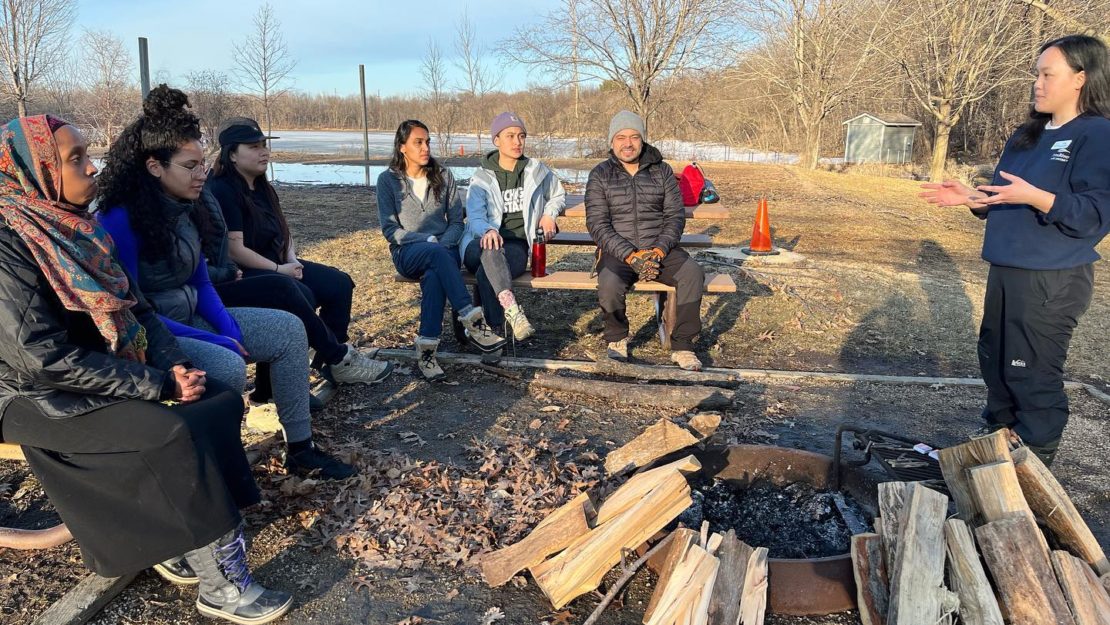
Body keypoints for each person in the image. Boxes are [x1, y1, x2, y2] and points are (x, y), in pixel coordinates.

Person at [0, 115, 293, 624]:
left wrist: (175, 366)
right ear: (37, 169)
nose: (91, 167)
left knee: (218, 399)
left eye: (88, 154)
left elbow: (136, 310)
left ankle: (182, 538)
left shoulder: (77, 229)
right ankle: (220, 585)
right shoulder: (10, 246)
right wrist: (156, 384)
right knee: (170, 430)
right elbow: (42, 358)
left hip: (97, 374)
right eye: (74, 159)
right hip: (31, 396)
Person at [96, 86, 357, 480]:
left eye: (203, 163)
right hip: (154, 332)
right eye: (191, 165)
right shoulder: (118, 219)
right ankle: (222, 467)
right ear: (154, 167)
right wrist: (221, 341)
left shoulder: (185, 207)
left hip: (195, 317)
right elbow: (135, 311)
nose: (203, 173)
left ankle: (301, 450)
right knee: (227, 365)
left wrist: (229, 328)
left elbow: (201, 283)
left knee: (289, 329)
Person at [920, 35, 1110, 466]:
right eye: (1036, 74)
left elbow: (1097, 213)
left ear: (1081, 78)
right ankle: (997, 447)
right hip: (1006, 267)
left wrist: (1037, 197)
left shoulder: (1097, 134)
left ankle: (1032, 473)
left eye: (1048, 74)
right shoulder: (1029, 134)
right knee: (997, 364)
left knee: (1032, 374)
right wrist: (973, 196)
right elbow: (1008, 195)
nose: (1038, 84)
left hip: (1053, 277)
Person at [207, 116, 391, 388]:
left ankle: (328, 361)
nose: (264, 152)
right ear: (232, 154)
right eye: (254, 147)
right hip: (245, 271)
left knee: (338, 283)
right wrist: (281, 270)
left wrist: (291, 259)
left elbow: (283, 228)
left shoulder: (261, 186)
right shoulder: (222, 189)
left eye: (263, 145)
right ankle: (320, 366)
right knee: (295, 294)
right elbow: (235, 249)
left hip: (278, 262)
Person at [378, 120, 507, 381]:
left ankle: (426, 352)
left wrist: (443, 244)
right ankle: (473, 321)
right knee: (437, 257)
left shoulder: (443, 176)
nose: (425, 147)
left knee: (435, 275)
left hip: (443, 251)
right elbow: (390, 230)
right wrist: (426, 241)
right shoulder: (387, 181)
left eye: (427, 142)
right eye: (418, 142)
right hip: (407, 252)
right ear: (402, 147)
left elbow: (457, 222)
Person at [585, 110, 706, 371]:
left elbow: (674, 216)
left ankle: (683, 345)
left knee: (692, 273)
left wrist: (659, 250)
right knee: (609, 283)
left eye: (634, 137)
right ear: (611, 141)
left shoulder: (661, 171)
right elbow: (597, 224)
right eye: (620, 137)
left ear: (643, 140)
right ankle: (617, 338)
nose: (627, 143)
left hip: (659, 248)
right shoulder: (600, 174)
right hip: (619, 252)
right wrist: (630, 255)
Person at [463, 112, 566, 342]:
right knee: (490, 249)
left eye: (521, 136)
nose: (517, 142)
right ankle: (511, 311)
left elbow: (558, 194)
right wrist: (488, 231)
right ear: (496, 140)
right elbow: (475, 215)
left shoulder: (536, 170)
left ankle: (491, 336)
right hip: (478, 243)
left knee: (486, 271)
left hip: (515, 247)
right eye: (510, 136)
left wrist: (549, 214)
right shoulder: (481, 177)